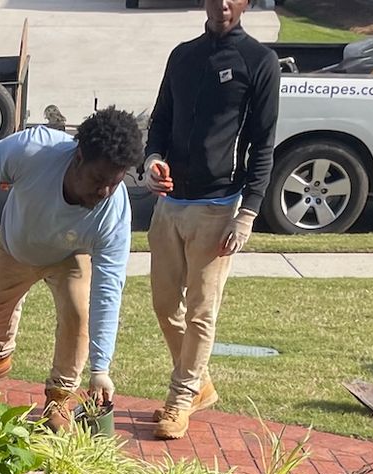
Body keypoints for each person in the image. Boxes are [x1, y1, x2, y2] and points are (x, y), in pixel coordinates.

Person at [143, 0, 280, 440]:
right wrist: (152, 161)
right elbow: (161, 119)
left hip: (220, 206)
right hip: (170, 205)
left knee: (202, 310)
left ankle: (180, 398)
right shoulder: (183, 55)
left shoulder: (259, 61)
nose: (223, 4)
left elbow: (263, 143)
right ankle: (199, 382)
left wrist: (248, 214)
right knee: (165, 305)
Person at [0, 107, 142, 432]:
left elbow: (107, 291)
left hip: (70, 254)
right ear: (78, 158)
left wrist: (101, 369)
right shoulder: (34, 150)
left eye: (115, 181)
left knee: (77, 315)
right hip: (17, 247)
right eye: (98, 180)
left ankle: (59, 399)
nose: (104, 192)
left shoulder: (113, 212)